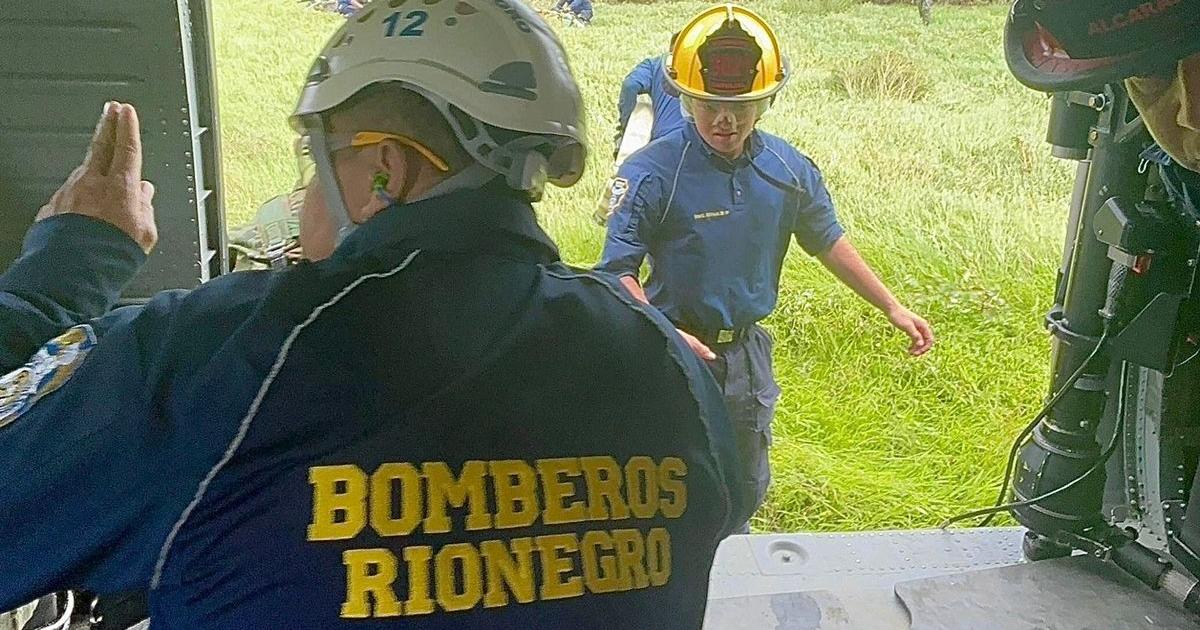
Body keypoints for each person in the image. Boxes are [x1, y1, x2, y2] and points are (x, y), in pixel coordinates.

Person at [0, 1, 750, 627]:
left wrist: (64, 274)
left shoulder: (218, 357)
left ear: (385, 169)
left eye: (314, 164)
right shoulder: (662, 358)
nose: (303, 199)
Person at [596, 3, 934, 531]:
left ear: (767, 99)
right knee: (663, 484)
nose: (724, 119)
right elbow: (615, 272)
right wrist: (662, 331)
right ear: (685, 97)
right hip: (669, 348)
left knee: (745, 483)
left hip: (746, 357)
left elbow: (826, 239)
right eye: (708, 104)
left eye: (741, 105)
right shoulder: (650, 173)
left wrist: (893, 306)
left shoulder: (787, 168)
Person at [614, 37, 686, 159]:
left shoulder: (655, 64)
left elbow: (630, 85)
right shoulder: (707, 67)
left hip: (662, 142)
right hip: (706, 142)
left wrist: (625, 127)